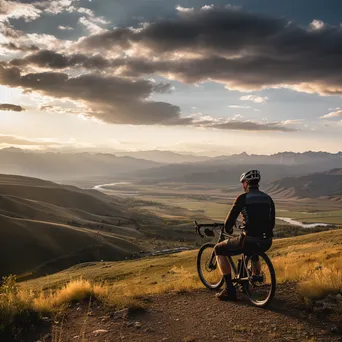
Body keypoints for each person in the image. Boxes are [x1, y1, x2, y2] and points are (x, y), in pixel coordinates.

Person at [214, 169, 275, 301]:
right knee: (253, 250)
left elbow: (229, 221)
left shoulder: (242, 198)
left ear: (246, 183)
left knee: (218, 249)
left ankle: (229, 289)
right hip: (266, 241)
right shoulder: (268, 198)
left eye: (243, 183)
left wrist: (228, 229)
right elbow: (272, 222)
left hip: (248, 240)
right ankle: (252, 277)